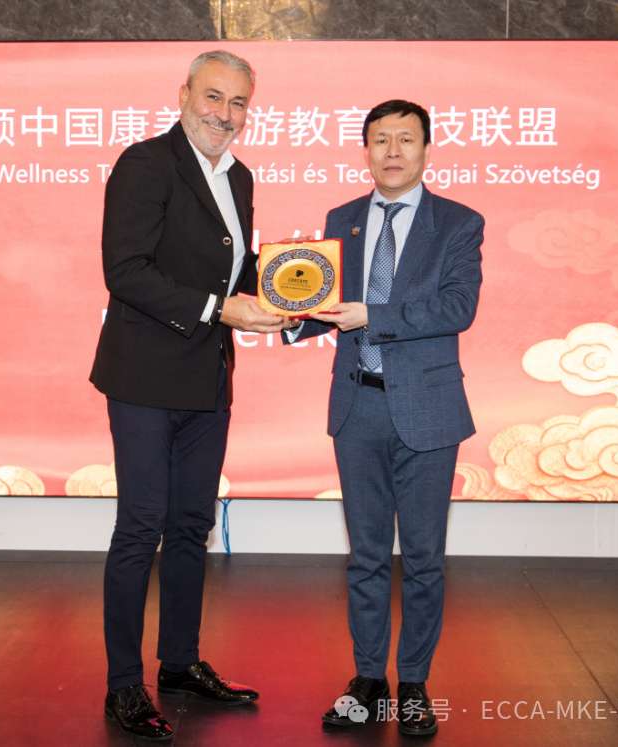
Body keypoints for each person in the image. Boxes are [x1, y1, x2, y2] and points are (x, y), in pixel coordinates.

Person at [90, 50, 290, 741]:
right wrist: (219, 309)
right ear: (183, 95)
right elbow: (126, 270)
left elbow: (238, 270)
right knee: (141, 525)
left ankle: (178, 663)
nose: (225, 115)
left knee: (190, 525)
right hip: (145, 378)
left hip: (208, 378)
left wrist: (292, 285)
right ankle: (123, 684)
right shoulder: (146, 164)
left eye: (238, 103)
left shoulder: (239, 177)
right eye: (214, 97)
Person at [286, 99, 483, 737]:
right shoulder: (341, 220)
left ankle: (415, 683)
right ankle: (368, 679)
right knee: (366, 556)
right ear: (365, 150)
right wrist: (289, 317)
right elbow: (328, 300)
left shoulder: (458, 223)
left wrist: (375, 315)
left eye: (406, 139)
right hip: (357, 406)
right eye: (380, 140)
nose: (392, 151)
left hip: (429, 410)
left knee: (423, 558)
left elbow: (457, 307)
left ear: (426, 149)